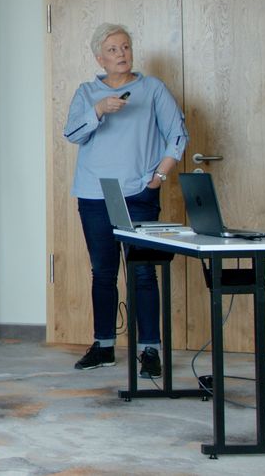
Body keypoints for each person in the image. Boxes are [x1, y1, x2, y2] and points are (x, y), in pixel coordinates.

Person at [65, 23, 186, 377]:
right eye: (113, 49)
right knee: (103, 273)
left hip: (137, 193)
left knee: (143, 272)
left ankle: (150, 349)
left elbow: (178, 134)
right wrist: (99, 109)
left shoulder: (152, 89)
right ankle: (103, 346)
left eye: (125, 47)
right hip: (95, 193)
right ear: (99, 58)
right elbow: (72, 133)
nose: (121, 54)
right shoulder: (87, 92)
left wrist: (160, 176)